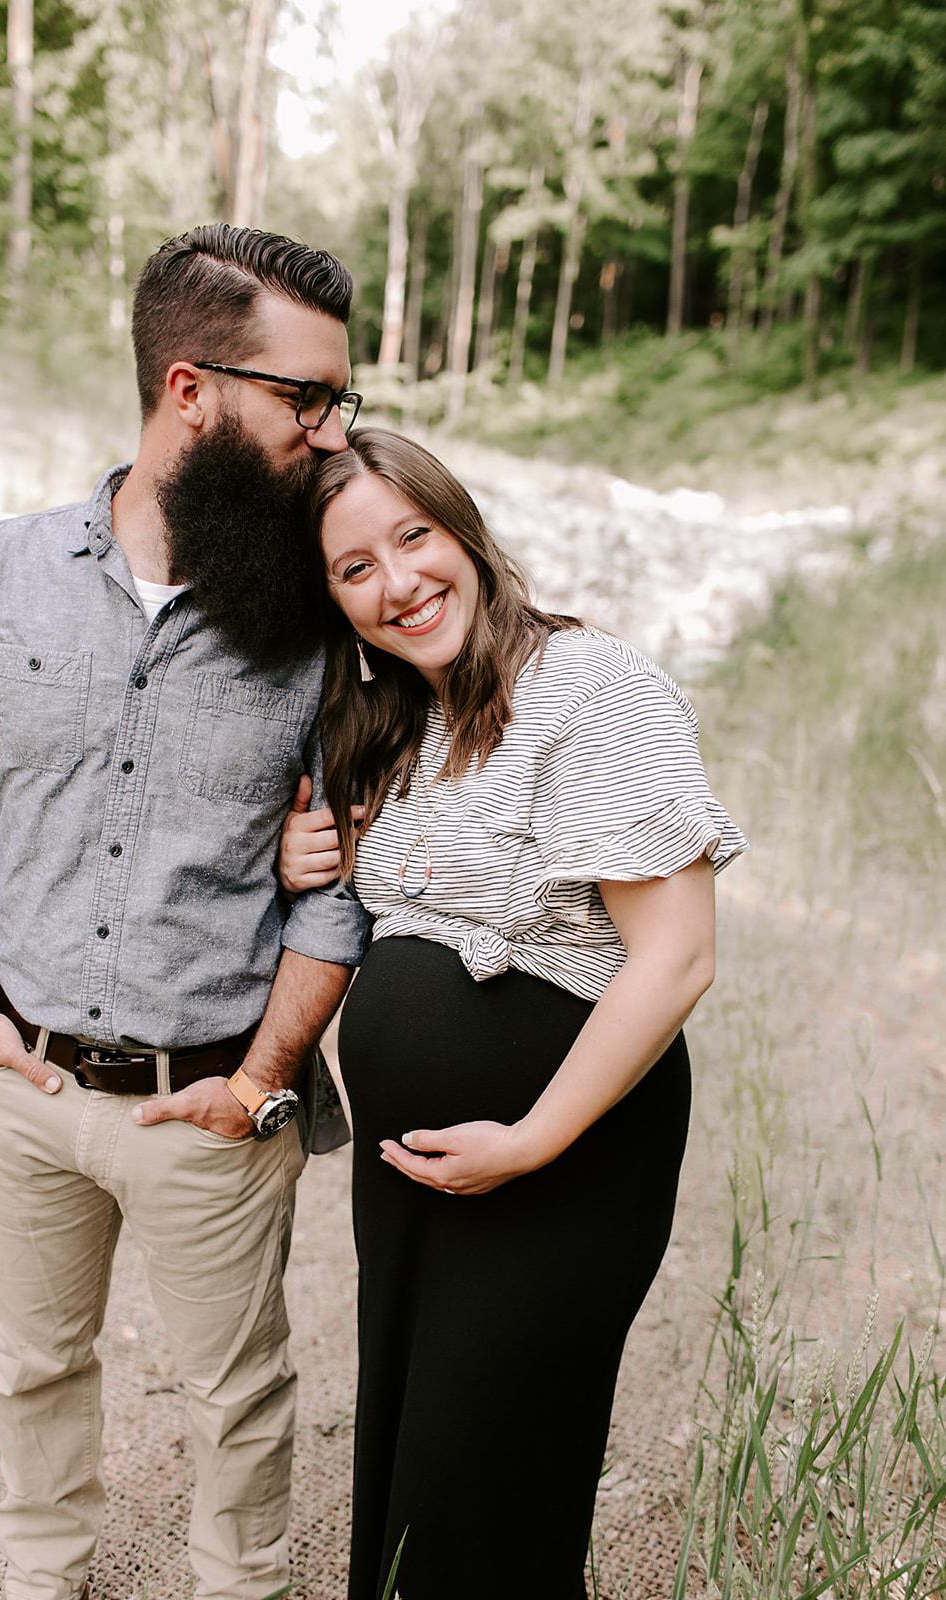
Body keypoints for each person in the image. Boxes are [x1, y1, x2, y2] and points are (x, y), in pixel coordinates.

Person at [0, 224, 372, 1600]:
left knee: (239, 1392)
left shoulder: (325, 614)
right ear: (188, 390)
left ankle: (244, 1582)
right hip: (24, 1080)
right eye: (306, 399)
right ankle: (41, 1572)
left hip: (216, 1097)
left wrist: (265, 1078)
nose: (331, 434)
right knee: (29, 1363)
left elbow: (338, 891)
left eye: (338, 400)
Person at [279, 428, 749, 1600]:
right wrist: (305, 861)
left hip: (557, 1158)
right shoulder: (395, 718)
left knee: (479, 1482)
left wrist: (530, 1139)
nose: (396, 582)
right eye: (353, 569)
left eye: (412, 536)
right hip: (417, 1179)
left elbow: (676, 956)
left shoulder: (589, 687)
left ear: (464, 530)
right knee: (409, 1475)